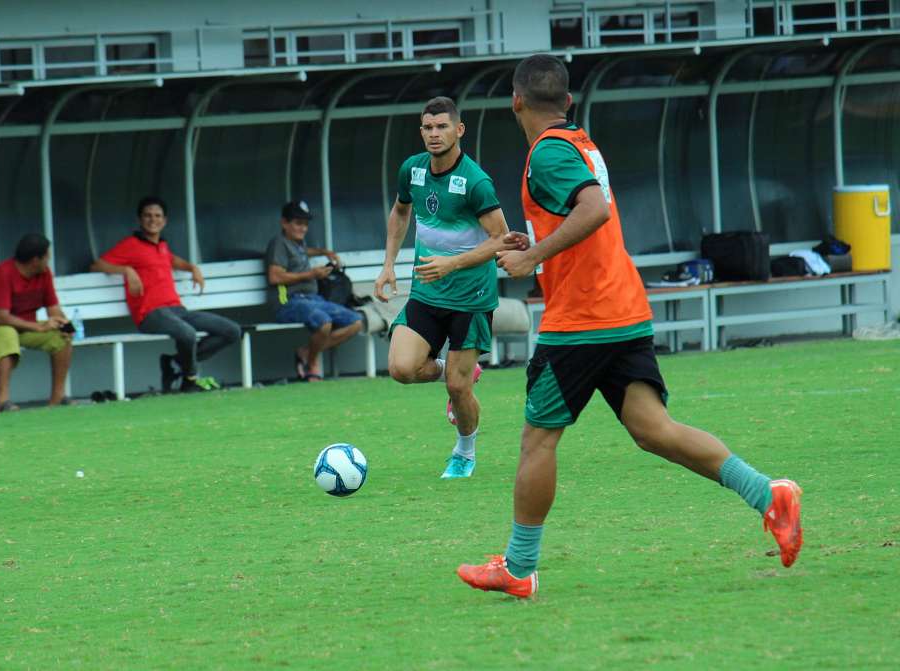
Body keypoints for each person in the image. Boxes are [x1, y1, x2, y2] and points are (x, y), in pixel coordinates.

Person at [457, 54, 803, 598]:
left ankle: (519, 568)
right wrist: (538, 242)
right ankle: (769, 495)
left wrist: (533, 257)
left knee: (537, 441)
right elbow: (581, 216)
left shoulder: (547, 152)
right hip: (621, 308)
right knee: (653, 429)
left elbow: (592, 210)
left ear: (516, 100)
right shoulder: (579, 141)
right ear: (568, 101)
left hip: (582, 320)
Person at [374, 96, 511, 479]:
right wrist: (388, 265)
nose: (434, 134)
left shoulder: (475, 182)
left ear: (459, 130)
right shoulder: (412, 170)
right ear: (421, 131)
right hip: (427, 292)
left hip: (471, 299)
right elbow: (401, 211)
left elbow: (501, 239)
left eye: (442, 126)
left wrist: (451, 263)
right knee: (401, 369)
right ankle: (454, 374)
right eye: (428, 127)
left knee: (458, 388)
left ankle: (464, 452)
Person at [91, 196, 241, 393]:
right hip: (150, 313)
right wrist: (127, 270)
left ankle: (175, 363)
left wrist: (192, 267)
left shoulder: (161, 245)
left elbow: (171, 259)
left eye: (157, 216)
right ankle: (190, 379)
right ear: (139, 219)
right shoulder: (131, 244)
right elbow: (97, 265)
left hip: (178, 310)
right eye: (147, 216)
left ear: (164, 220)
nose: (153, 220)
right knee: (187, 333)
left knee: (232, 331)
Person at [0, 233, 73, 412]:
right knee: (6, 332)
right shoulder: (3, 274)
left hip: (20, 326)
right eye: (47, 257)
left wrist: (65, 325)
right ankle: (3, 401)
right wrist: (39, 326)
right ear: (35, 260)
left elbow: (53, 308)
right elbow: (1, 317)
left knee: (60, 336)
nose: (49, 260)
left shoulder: (44, 274)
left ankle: (58, 397)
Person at [265, 200, 362, 382]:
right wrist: (312, 274)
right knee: (324, 323)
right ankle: (312, 364)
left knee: (356, 322)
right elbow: (275, 277)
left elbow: (305, 252)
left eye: (305, 224)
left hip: (313, 300)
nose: (303, 228)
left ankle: (306, 352)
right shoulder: (279, 243)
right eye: (298, 223)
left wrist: (325, 252)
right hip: (288, 302)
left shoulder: (297, 244)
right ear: (284, 223)